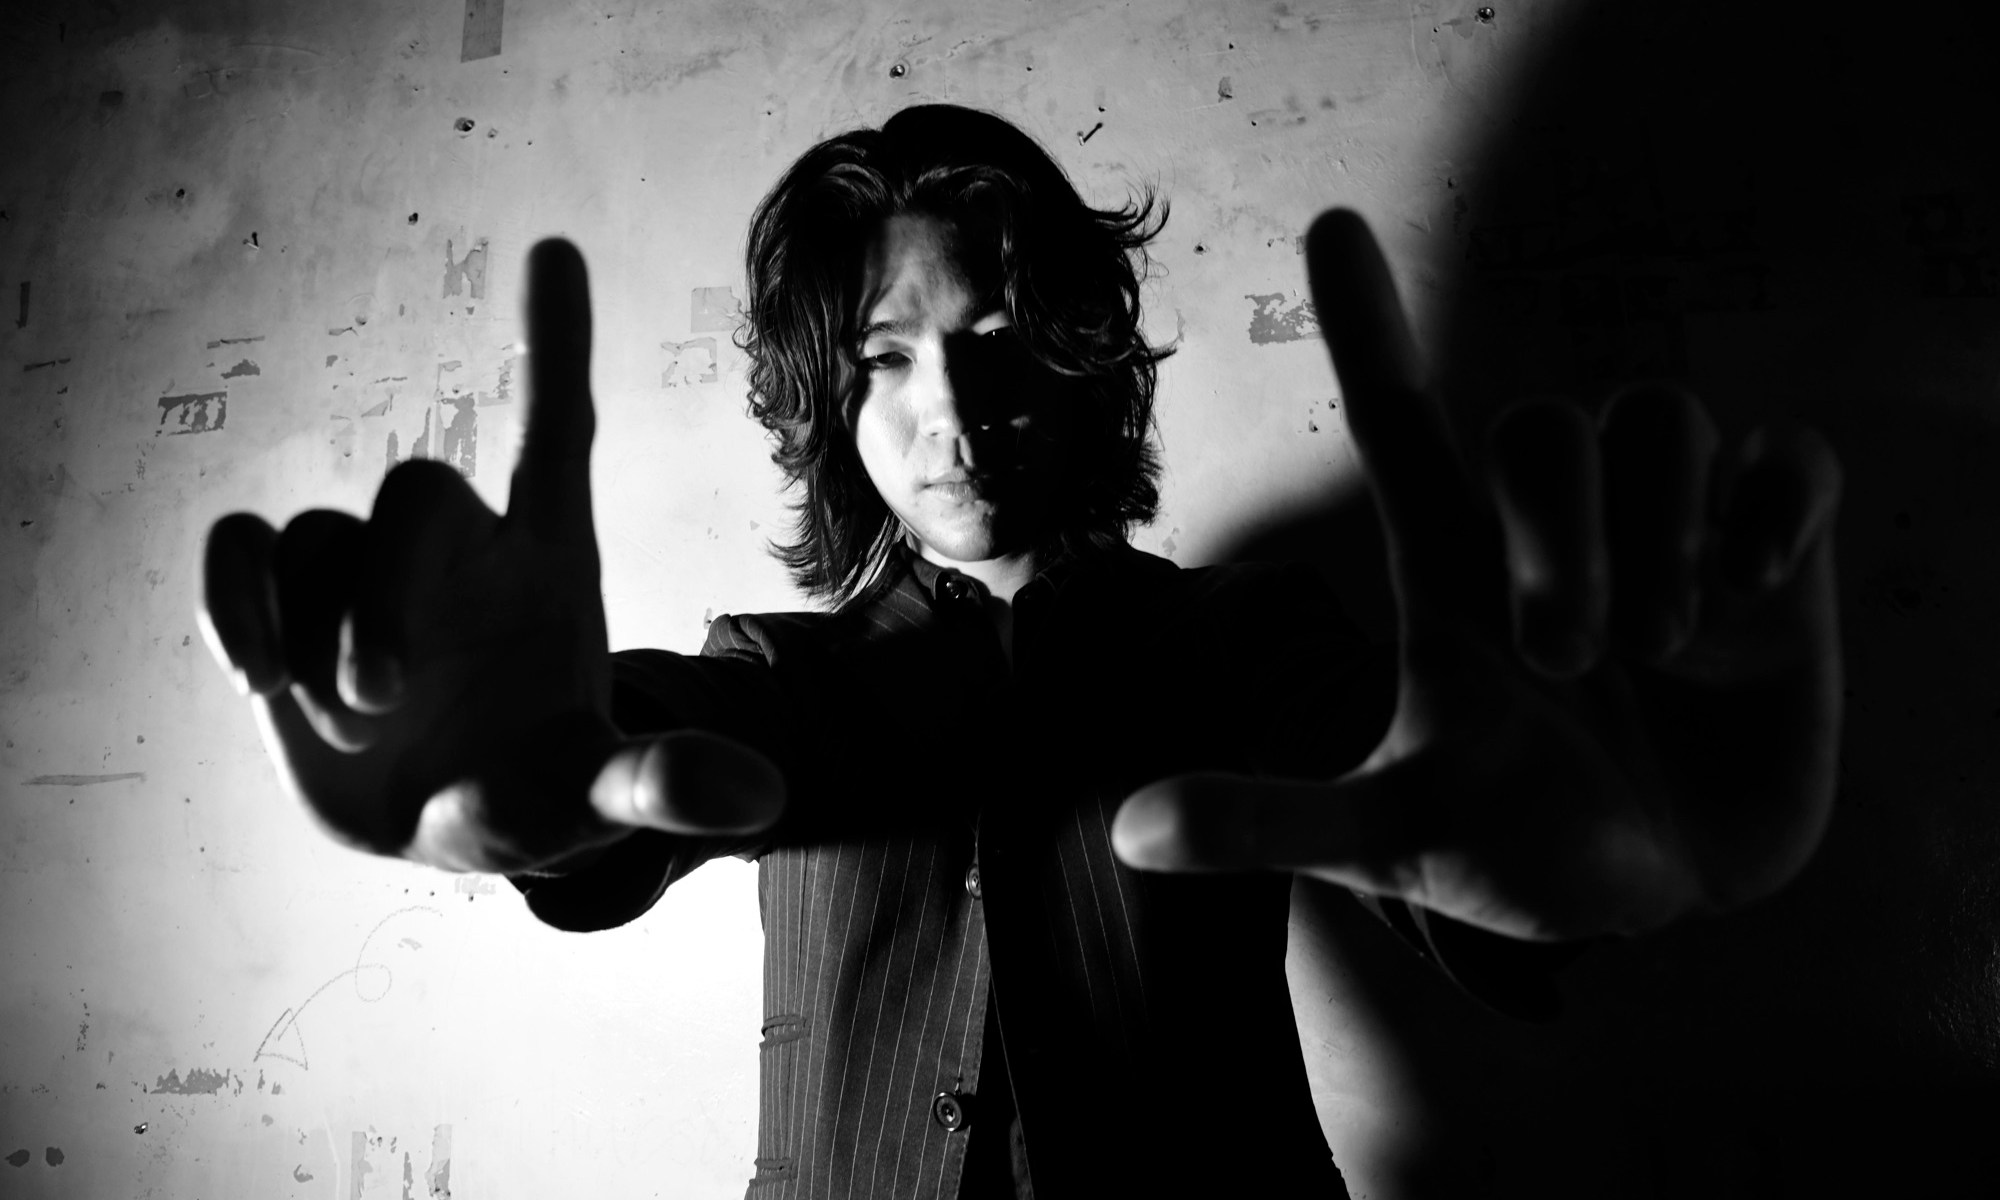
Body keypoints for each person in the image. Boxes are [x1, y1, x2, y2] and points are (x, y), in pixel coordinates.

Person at [197, 104, 1844, 1198]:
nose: (953, 410)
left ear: (1075, 357)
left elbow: (1413, 791)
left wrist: (1558, 855)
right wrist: (550, 803)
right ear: (832, 407)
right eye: (886, 359)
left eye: (991, 340)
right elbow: (636, 764)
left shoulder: (1243, 632)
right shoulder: (778, 673)